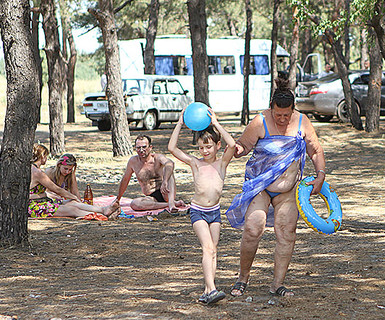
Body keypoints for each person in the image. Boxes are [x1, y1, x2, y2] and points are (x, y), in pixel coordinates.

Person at [226, 77, 326, 297]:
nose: (282, 119)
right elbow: (244, 144)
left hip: (288, 191)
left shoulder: (302, 122)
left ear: (293, 110)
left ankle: (277, 283)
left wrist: (320, 175)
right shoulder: (260, 121)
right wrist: (237, 150)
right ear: (271, 109)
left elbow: (315, 150)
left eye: (286, 115)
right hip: (261, 187)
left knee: (286, 233)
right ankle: (242, 278)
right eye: (278, 114)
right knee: (253, 228)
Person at [168, 107, 236, 305]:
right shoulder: (195, 164)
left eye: (208, 147)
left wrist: (215, 123)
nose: (204, 151)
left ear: (216, 146)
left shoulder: (222, 164)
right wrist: (180, 123)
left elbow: (232, 144)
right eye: (201, 148)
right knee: (207, 247)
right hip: (198, 211)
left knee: (213, 250)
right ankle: (212, 289)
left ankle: (208, 289)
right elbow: (172, 149)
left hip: (214, 212)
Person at [29, 144, 119, 219]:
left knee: (73, 203)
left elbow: (73, 190)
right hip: (35, 206)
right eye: (46, 156)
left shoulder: (33, 169)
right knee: (72, 210)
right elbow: (57, 190)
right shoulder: (39, 173)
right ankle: (102, 216)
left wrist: (75, 198)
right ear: (42, 156)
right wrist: (72, 196)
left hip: (43, 201)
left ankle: (103, 210)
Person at [114, 135, 185, 213]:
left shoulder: (157, 158)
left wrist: (165, 181)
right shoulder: (133, 162)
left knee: (168, 168)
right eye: (138, 148)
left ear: (150, 147)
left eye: (144, 147)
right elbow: (125, 179)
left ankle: (171, 203)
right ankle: (169, 204)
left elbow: (170, 163)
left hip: (166, 191)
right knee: (135, 204)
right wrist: (118, 199)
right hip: (152, 197)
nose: (141, 150)